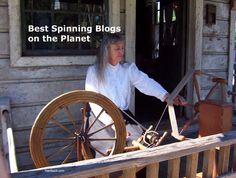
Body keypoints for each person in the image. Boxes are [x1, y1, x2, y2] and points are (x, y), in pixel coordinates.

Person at [85, 33, 185, 149]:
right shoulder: (94, 71)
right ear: (106, 51)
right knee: (110, 149)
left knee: (141, 143)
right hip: (101, 118)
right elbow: (94, 102)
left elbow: (146, 83)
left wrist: (166, 96)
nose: (121, 52)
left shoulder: (127, 69)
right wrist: (112, 123)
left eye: (122, 48)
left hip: (123, 115)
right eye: (117, 49)